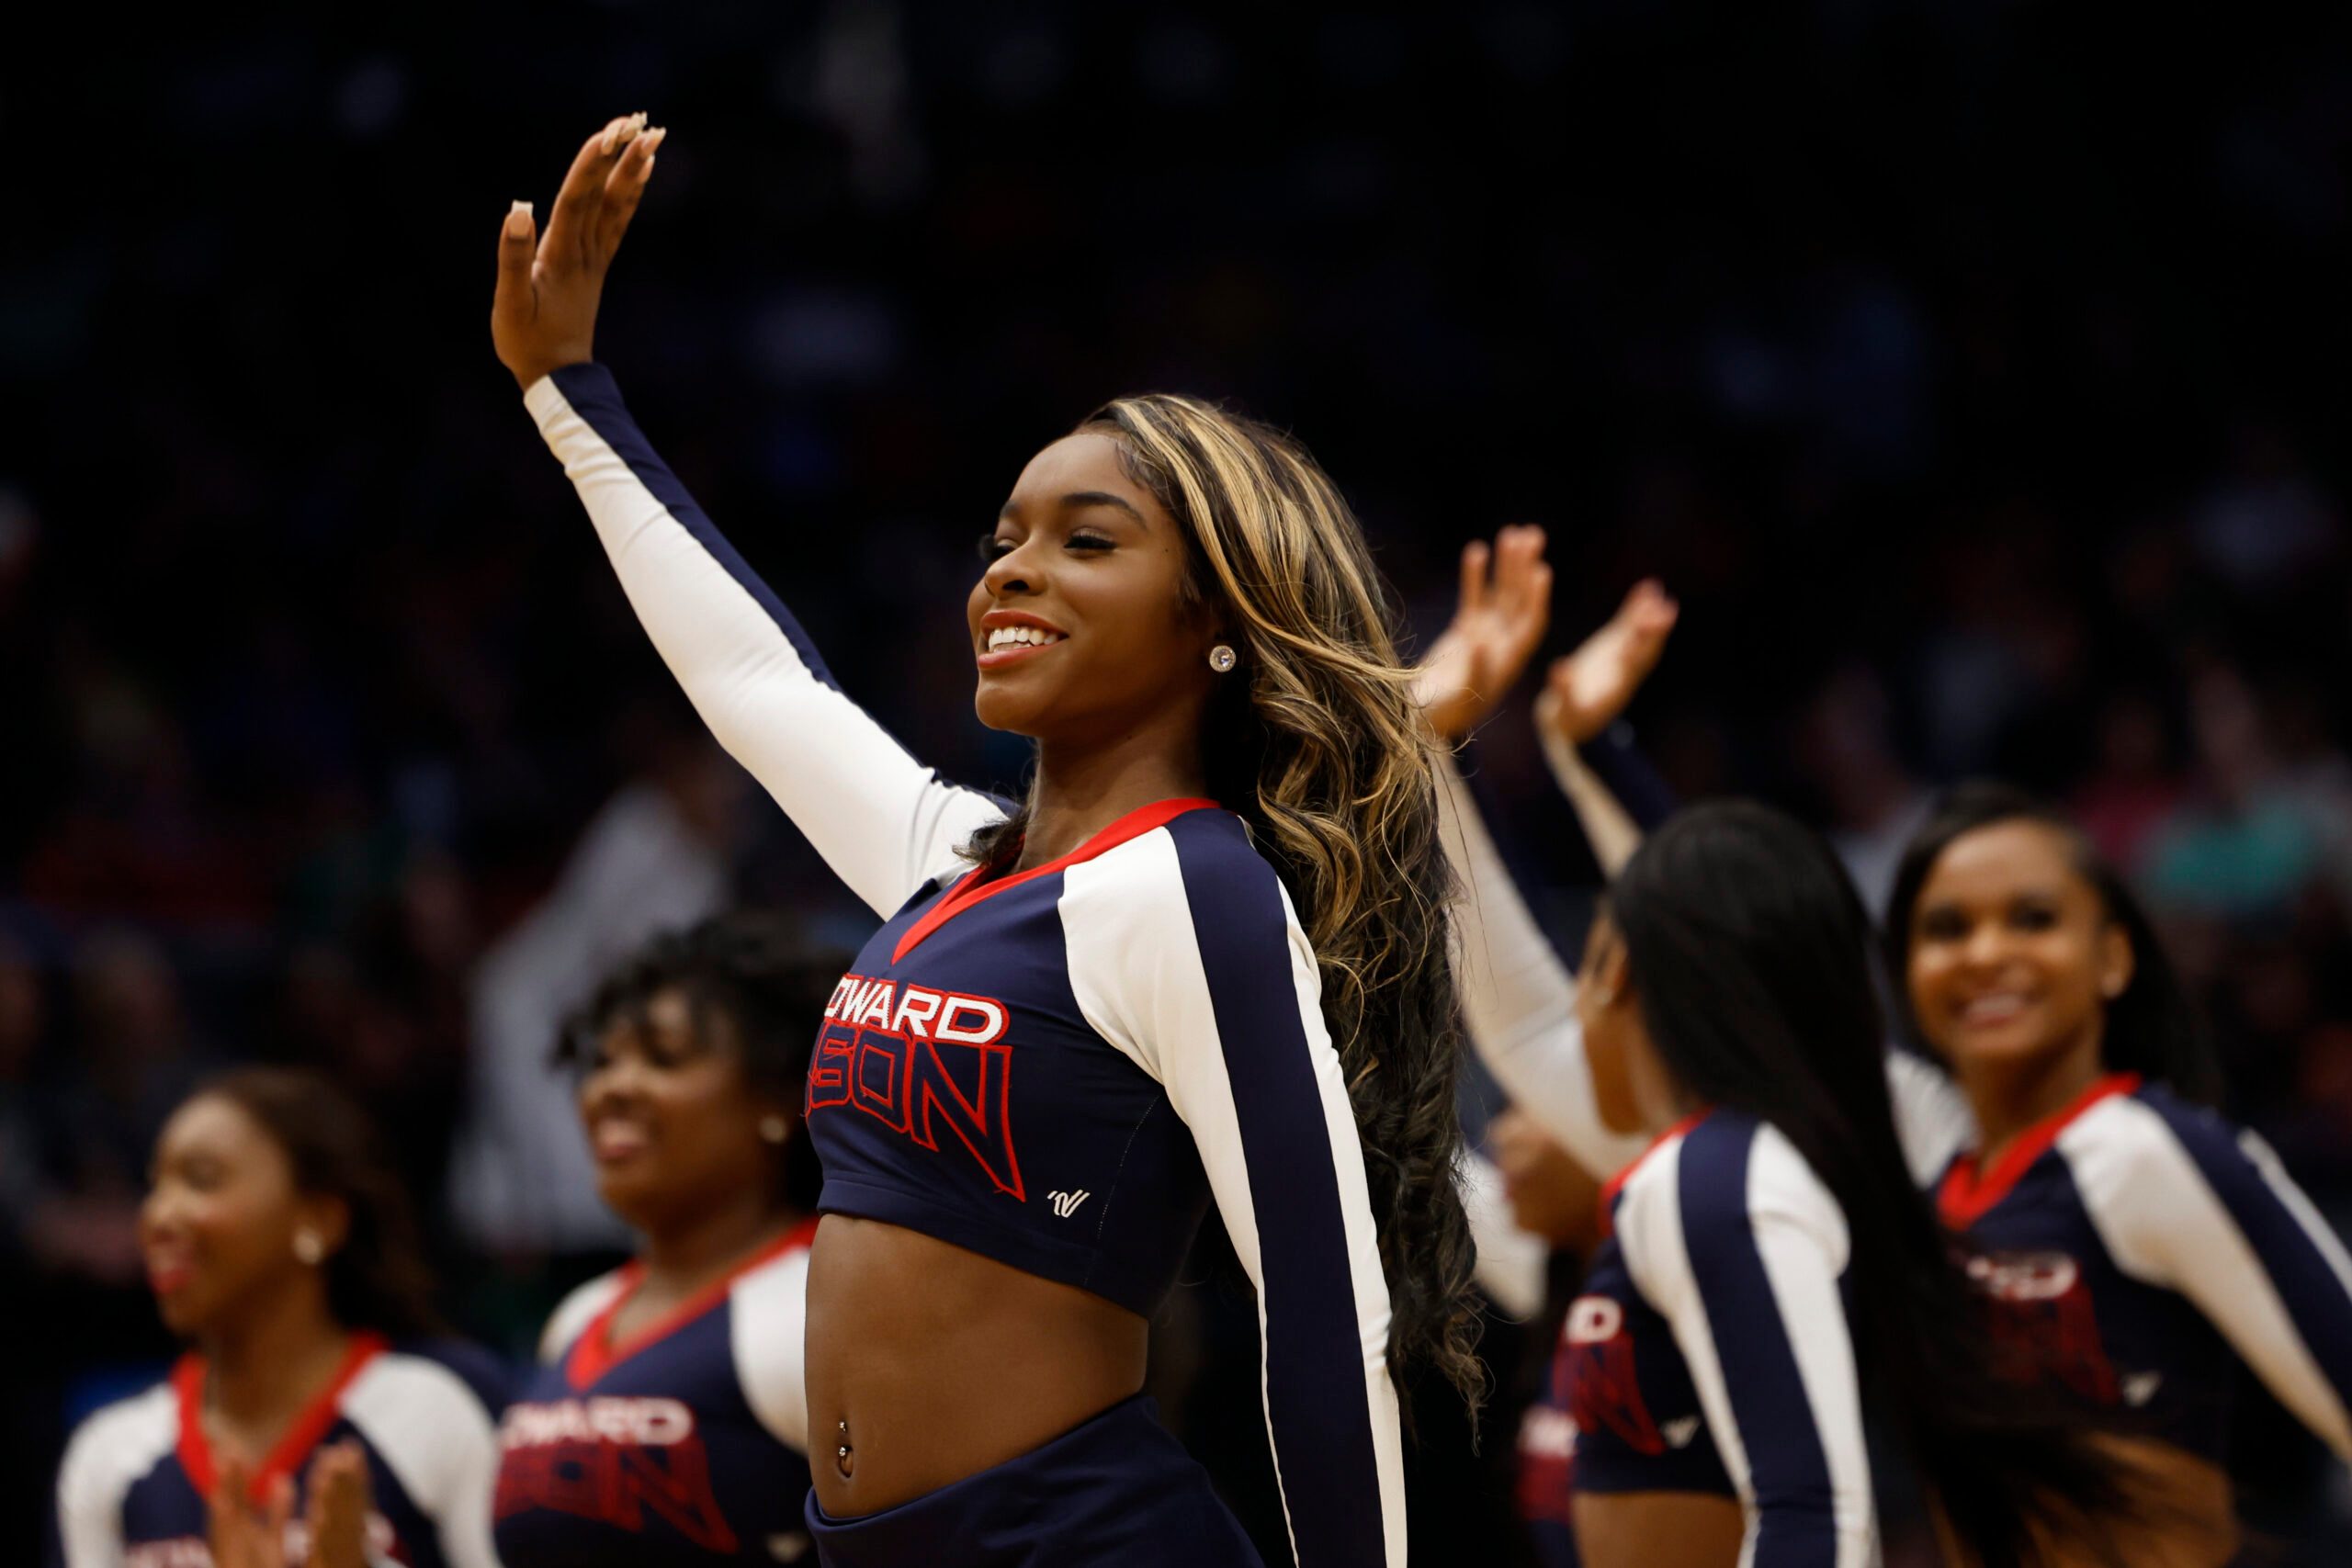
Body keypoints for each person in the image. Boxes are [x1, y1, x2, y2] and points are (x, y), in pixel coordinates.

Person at [491, 115, 1481, 1566]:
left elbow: (1328, 1312)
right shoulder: (959, 863)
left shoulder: (1190, 887)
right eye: (1004, 538)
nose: (1012, 567)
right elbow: (759, 688)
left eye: (1088, 539)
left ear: (1213, 620)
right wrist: (566, 391)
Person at [1885, 782, 2352, 1564]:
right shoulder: (1930, 1153)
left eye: (2033, 917)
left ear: (2113, 956)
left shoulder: (2146, 1153)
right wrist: (1604, 751)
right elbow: (1741, 957)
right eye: (1946, 927)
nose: (1987, 951)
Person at [51, 1067, 503, 1568]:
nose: (158, 1216)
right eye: (154, 1185)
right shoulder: (109, 1452)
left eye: (201, 1179)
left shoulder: (437, 1409)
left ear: (319, 1219)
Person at [494, 913, 834, 1566]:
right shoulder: (577, 1317)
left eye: (663, 1058)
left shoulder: (822, 1303)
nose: (611, 1088)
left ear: (776, 1096)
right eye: (602, 1061)